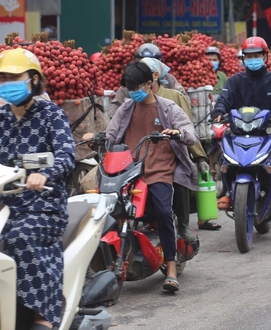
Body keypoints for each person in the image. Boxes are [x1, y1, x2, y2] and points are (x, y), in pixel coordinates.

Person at [0, 48, 75, 329]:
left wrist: (45, 175)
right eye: (2, 78)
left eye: (14, 77)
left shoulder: (52, 115)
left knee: (22, 237)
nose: (6, 83)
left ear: (34, 80)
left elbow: (67, 155)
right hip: (2, 206)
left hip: (43, 205)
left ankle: (43, 317)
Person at [85, 62, 198, 293]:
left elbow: (191, 134)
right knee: (107, 210)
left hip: (159, 171)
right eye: (129, 88)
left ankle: (172, 268)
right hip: (128, 172)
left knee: (165, 213)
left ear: (149, 84)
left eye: (136, 87)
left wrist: (177, 133)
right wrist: (96, 138)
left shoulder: (168, 108)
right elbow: (111, 135)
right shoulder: (126, 109)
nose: (132, 91)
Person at [211, 36, 271, 217]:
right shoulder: (234, 81)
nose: (253, 59)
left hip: (268, 131)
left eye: (257, 55)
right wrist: (218, 111)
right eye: (249, 56)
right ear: (243, 59)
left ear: (265, 57)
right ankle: (227, 192)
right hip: (239, 130)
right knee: (227, 156)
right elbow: (223, 99)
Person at [141, 58, 218, 234]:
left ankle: (183, 225)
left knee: (180, 176)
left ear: (155, 76)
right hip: (144, 154)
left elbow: (188, 128)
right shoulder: (135, 100)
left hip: (172, 152)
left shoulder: (174, 97)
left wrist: (199, 157)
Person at [108, 43, 186, 118]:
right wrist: (118, 121)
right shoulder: (131, 80)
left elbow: (183, 100)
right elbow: (116, 105)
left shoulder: (169, 80)